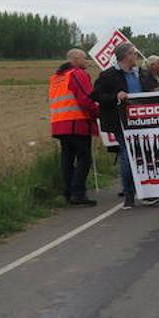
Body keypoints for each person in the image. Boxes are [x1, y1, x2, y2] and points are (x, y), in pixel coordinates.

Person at [92, 41, 159, 210]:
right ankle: (129, 194)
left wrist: (158, 90)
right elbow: (96, 95)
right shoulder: (108, 75)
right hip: (120, 121)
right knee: (128, 155)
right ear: (125, 56)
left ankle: (146, 192)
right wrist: (116, 96)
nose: (136, 56)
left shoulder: (142, 73)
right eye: (133, 53)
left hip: (144, 119)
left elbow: (156, 88)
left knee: (145, 154)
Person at [50, 48, 100, 207]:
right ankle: (78, 192)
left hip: (59, 124)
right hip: (77, 122)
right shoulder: (77, 74)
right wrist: (99, 112)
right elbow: (86, 98)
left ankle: (68, 192)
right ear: (76, 59)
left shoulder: (56, 77)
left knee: (67, 159)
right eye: (85, 58)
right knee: (84, 158)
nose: (87, 61)